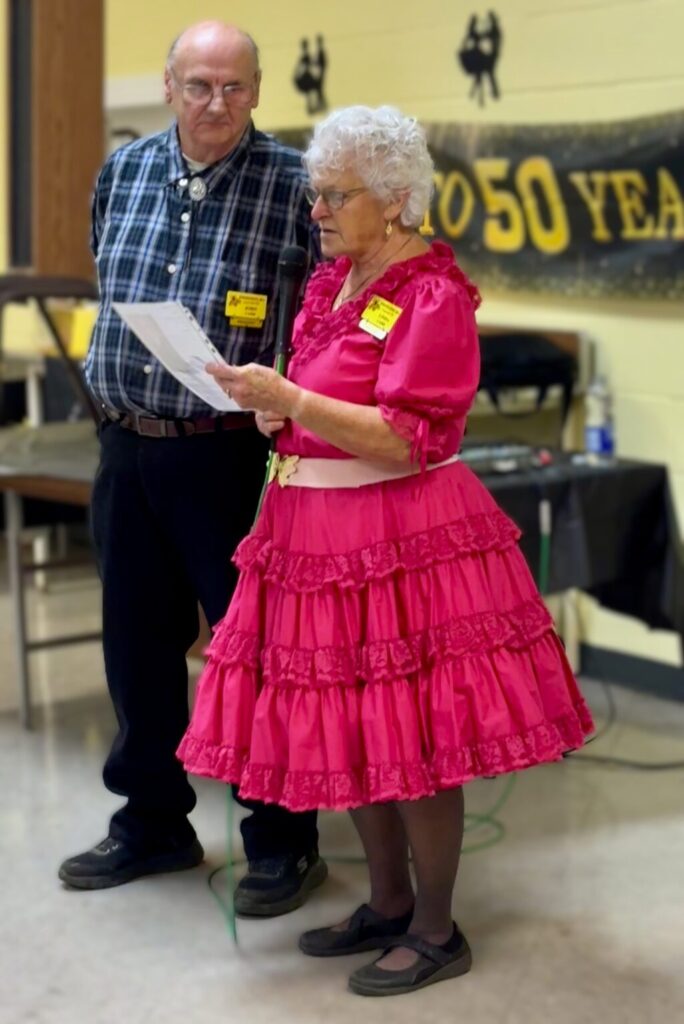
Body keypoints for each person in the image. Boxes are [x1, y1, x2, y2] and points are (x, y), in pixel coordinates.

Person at [178, 105, 595, 997]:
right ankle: (389, 902)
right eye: (316, 193)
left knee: (414, 732)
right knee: (354, 723)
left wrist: (295, 399)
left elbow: (410, 437)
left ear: (398, 200)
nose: (317, 211)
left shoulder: (431, 294)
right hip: (315, 531)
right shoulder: (334, 284)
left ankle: (438, 929)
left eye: (336, 195)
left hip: (398, 533)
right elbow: (328, 401)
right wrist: (280, 413)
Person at [58, 21, 327, 918]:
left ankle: (283, 838)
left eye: (234, 87)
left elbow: (325, 316)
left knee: (253, 654)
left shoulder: (296, 186)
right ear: (170, 87)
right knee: (136, 644)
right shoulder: (123, 172)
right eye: (200, 85)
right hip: (126, 444)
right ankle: (152, 823)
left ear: (258, 90)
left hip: (232, 456)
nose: (217, 103)